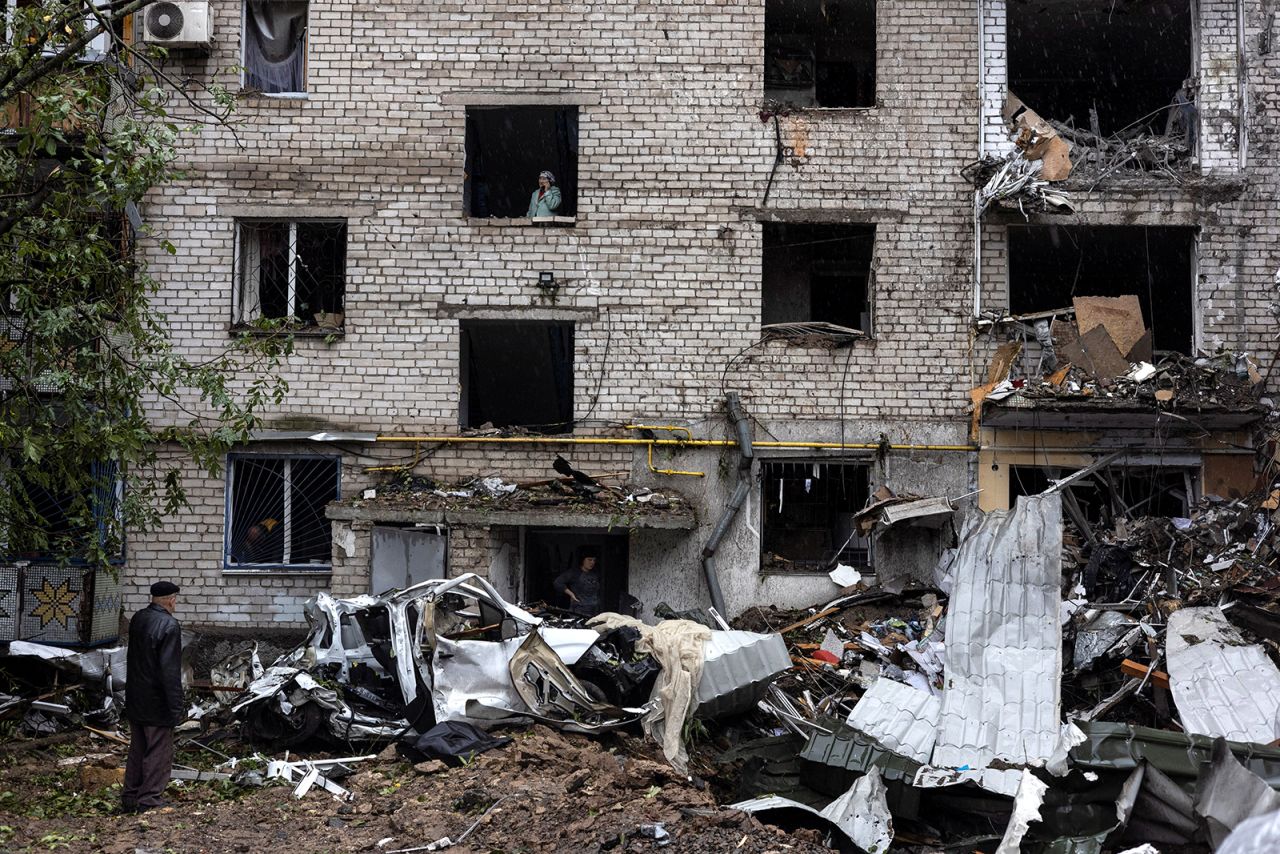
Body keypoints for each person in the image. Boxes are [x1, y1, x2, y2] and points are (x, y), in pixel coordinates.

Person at [122, 581, 184, 814]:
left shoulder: (139, 618)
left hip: (136, 696)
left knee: (138, 749)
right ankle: (149, 799)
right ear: (171, 600)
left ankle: (130, 796)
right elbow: (169, 671)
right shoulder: (170, 625)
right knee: (158, 751)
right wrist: (176, 706)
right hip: (157, 701)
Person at [553, 552, 601, 616]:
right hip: (578, 610)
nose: (592, 562)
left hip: (594, 610)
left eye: (594, 560)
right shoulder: (574, 573)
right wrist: (571, 594)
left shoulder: (595, 574)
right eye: (589, 560)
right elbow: (558, 582)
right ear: (582, 560)